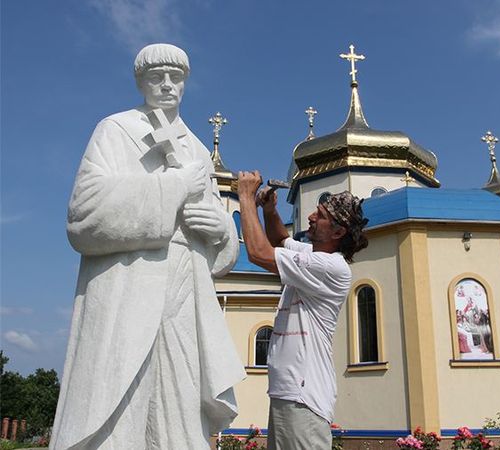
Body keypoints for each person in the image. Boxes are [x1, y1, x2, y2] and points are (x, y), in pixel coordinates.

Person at [50, 43, 245, 450]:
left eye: (176, 77)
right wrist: (173, 187)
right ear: (141, 82)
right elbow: (84, 214)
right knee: (119, 392)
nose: (168, 85)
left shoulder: (195, 148)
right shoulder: (116, 130)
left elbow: (217, 234)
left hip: (184, 285)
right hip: (130, 278)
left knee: (181, 395)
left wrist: (221, 230)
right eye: (157, 77)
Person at [237, 171, 368, 450]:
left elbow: (259, 252)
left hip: (303, 396)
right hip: (290, 392)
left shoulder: (331, 267)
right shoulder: (313, 256)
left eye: (319, 215)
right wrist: (271, 211)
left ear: (338, 231)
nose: (310, 217)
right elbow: (280, 240)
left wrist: (246, 197)